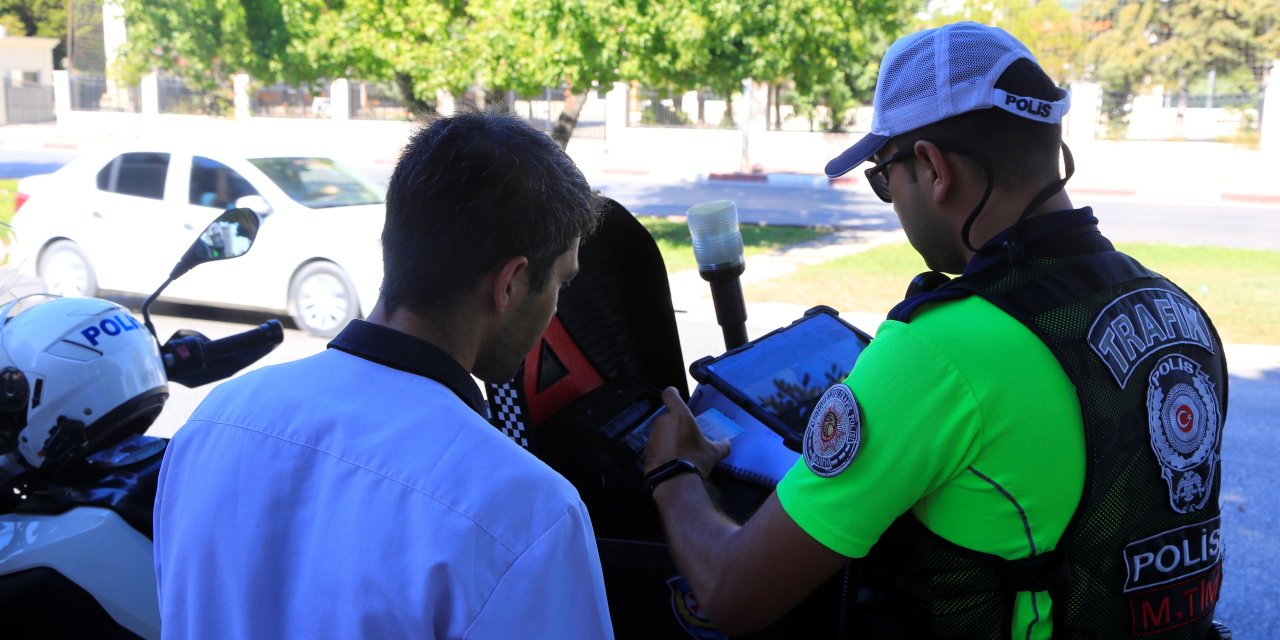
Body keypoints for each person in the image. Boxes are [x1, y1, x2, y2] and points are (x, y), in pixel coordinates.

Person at [643, 21, 1227, 639]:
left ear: (932, 168)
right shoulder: (1174, 307)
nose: (890, 198)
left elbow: (733, 592)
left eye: (882, 177)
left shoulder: (940, 349)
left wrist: (672, 473)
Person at [154, 111, 614, 639]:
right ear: (509, 283)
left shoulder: (214, 422)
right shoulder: (524, 512)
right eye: (560, 282)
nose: (555, 308)